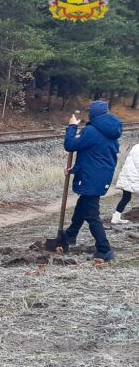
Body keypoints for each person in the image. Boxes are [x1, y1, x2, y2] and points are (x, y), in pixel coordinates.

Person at [62, 100, 122, 261]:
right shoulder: (110, 131)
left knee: (91, 213)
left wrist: (72, 127)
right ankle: (70, 235)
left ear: (93, 113)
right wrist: (75, 169)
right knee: (83, 204)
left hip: (92, 178)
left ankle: (104, 249)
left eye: (89, 111)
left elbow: (70, 145)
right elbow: (97, 155)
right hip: (100, 176)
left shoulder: (92, 131)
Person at [112, 142, 138, 224]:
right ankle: (116, 217)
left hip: (129, 176)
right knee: (126, 197)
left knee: (126, 197)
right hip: (133, 177)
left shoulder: (135, 147)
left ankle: (116, 217)